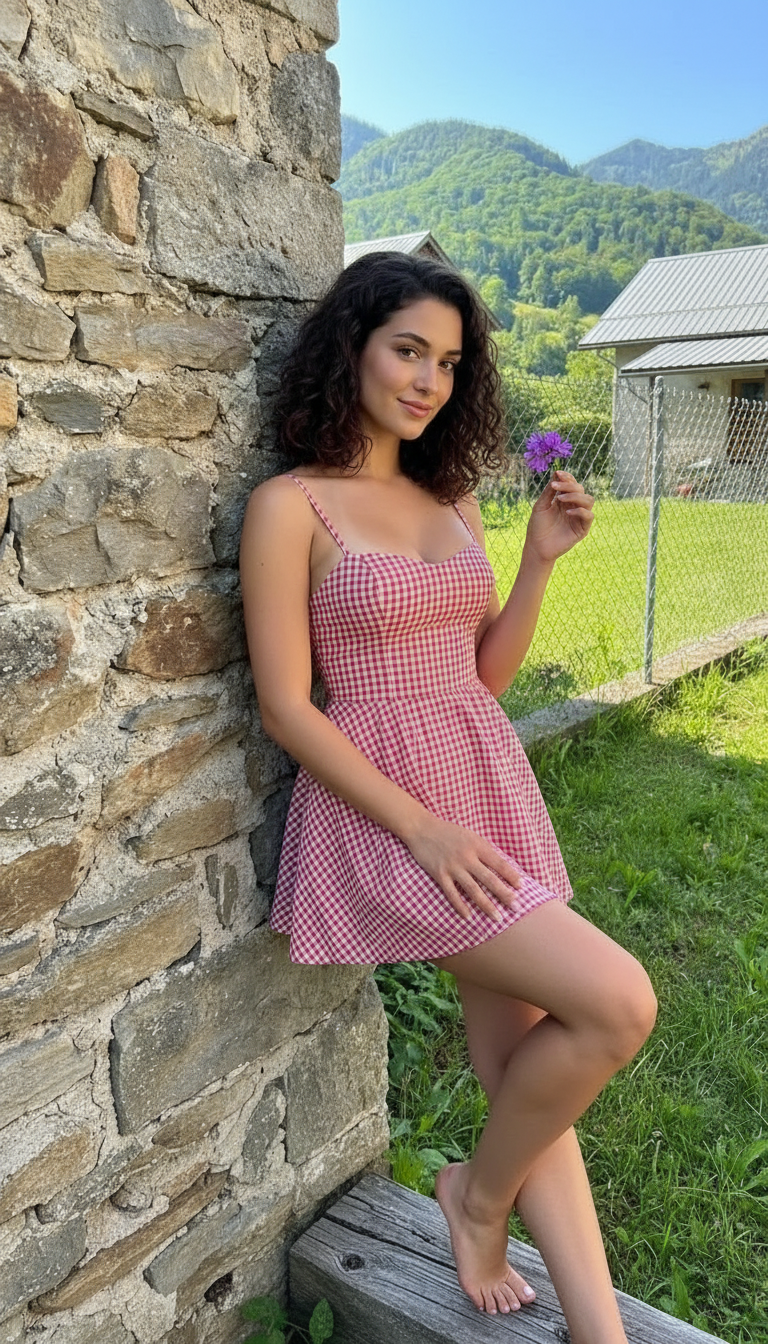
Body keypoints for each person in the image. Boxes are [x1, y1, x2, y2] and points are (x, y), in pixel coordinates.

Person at [239, 252, 657, 1344]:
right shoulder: (293, 507)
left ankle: (596, 1327)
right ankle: (476, 1198)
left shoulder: (450, 492)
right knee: (618, 1002)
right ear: (355, 347)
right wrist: (421, 830)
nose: (427, 379)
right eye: (407, 349)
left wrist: (538, 567)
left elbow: (480, 681)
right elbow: (290, 706)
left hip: (480, 786)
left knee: (519, 1062)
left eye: (448, 362)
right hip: (394, 818)